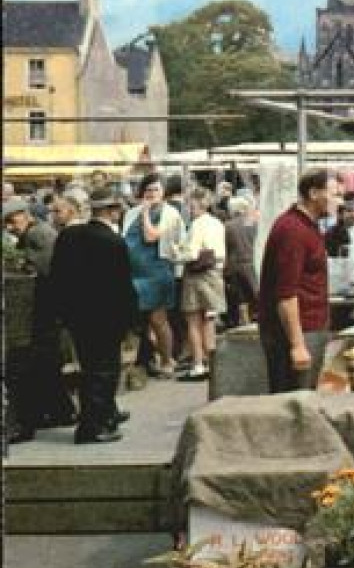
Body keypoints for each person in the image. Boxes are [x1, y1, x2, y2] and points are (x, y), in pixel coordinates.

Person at [48, 188, 136, 443]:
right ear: (113, 211)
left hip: (77, 317)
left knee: (89, 368)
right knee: (104, 371)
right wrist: (131, 320)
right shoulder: (114, 242)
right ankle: (93, 426)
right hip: (107, 318)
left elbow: (57, 277)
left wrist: (62, 313)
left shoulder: (69, 236)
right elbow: (123, 287)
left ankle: (105, 414)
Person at [3, 197, 73, 442]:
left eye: (12, 221)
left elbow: (42, 268)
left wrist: (21, 262)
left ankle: (36, 419)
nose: (10, 227)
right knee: (46, 365)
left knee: (37, 364)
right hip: (46, 312)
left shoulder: (37, 234)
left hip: (43, 311)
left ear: (25, 215)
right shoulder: (37, 232)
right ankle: (60, 410)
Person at [258, 170, 332, 393]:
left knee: (303, 396)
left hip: (309, 328)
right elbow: (286, 294)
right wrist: (297, 345)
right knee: (294, 399)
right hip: (297, 333)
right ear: (314, 193)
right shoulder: (293, 230)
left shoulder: (307, 226)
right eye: (333, 193)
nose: (338, 201)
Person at [123, 173, 184, 379]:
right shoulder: (131, 213)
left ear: (164, 192)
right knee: (141, 323)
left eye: (156, 189)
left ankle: (167, 360)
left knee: (158, 320)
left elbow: (151, 236)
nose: (151, 193)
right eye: (148, 189)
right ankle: (150, 359)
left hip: (157, 273)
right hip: (135, 274)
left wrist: (145, 213)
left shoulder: (170, 213)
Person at [178, 187, 227, 381]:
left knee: (193, 321)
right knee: (209, 320)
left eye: (190, 203)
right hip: (215, 274)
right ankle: (213, 365)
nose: (189, 207)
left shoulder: (197, 224)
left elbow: (192, 253)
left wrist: (176, 254)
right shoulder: (218, 223)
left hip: (197, 275)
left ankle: (198, 364)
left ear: (196, 203)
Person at [223, 195, 258, 327]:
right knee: (256, 294)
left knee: (241, 297)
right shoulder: (254, 224)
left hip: (235, 265)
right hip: (252, 263)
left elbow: (225, 248)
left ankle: (245, 323)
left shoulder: (228, 225)